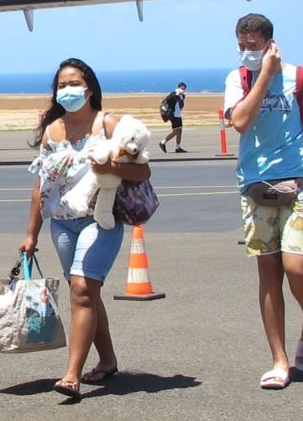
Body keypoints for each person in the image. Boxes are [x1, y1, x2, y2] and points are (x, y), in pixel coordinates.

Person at [222, 15, 303, 389]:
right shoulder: (236, 80)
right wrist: (263, 75)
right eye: (241, 45)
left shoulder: (302, 80)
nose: (247, 52)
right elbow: (241, 122)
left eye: (253, 45)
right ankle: (279, 359)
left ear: (271, 44)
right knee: (269, 274)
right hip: (256, 186)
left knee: (296, 266)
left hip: (300, 183)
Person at [21, 58, 151, 401]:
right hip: (63, 223)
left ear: (88, 88)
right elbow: (41, 186)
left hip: (101, 219)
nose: (67, 90)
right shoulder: (52, 132)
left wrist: (113, 165)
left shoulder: (110, 125)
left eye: (73, 83)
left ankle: (71, 375)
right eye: (61, 85)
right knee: (86, 292)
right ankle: (107, 361)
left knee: (80, 289)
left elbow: (143, 172)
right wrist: (31, 233)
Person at [158, 81, 188, 153]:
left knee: (179, 131)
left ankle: (178, 147)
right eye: (182, 88)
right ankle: (163, 142)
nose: (183, 90)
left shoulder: (183, 96)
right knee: (176, 131)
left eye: (184, 89)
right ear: (178, 88)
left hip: (178, 115)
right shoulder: (174, 93)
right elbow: (168, 99)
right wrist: (176, 94)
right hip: (174, 115)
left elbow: (180, 105)